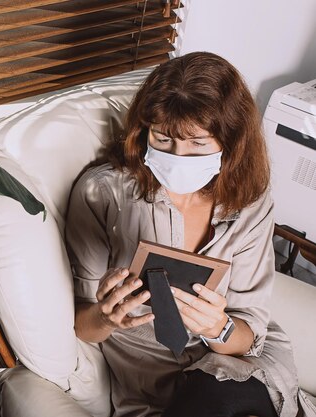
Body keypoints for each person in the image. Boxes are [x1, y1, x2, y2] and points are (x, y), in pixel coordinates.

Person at [65, 52, 316, 417]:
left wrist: (219, 327)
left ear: (230, 143)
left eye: (198, 144)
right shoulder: (103, 194)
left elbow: (249, 335)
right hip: (156, 380)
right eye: (163, 139)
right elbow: (82, 324)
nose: (178, 156)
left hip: (236, 367)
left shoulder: (249, 203)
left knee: (225, 398)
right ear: (144, 130)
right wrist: (106, 317)